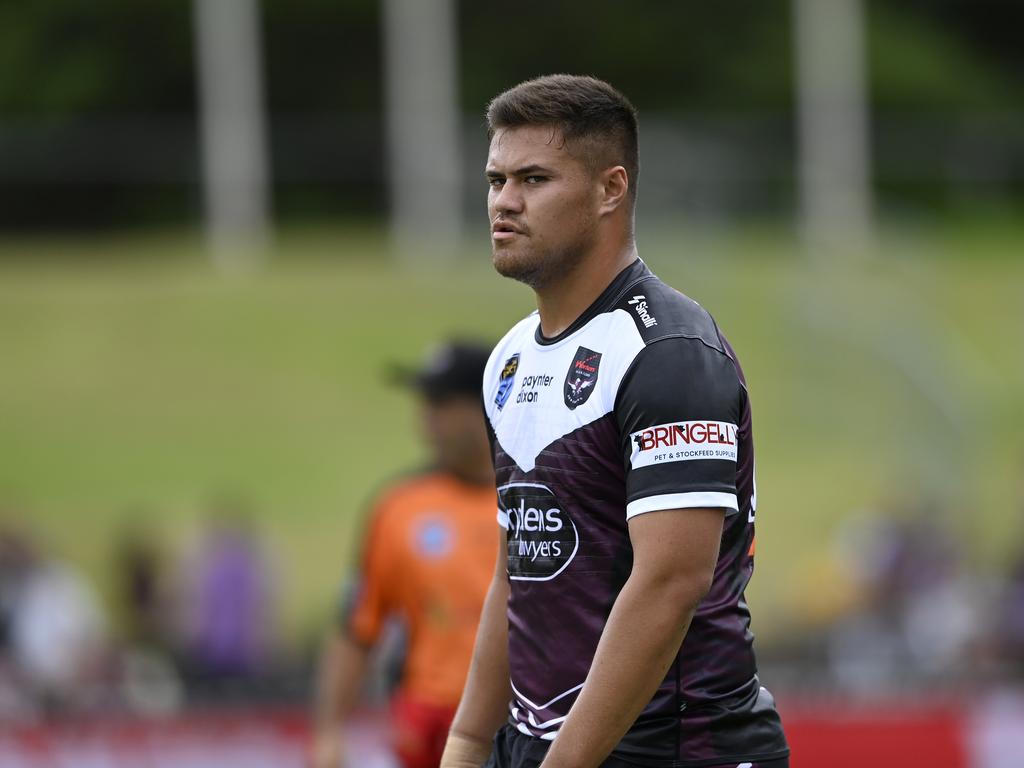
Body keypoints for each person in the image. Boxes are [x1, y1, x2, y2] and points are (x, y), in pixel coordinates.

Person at [439, 75, 789, 768]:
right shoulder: (507, 362)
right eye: (496, 179)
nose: (504, 202)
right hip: (540, 746)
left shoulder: (669, 353)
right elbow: (521, 571)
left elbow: (670, 582)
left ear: (610, 189)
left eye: (534, 178)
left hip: (679, 748)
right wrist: (469, 742)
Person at [311, 341, 497, 768]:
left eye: (439, 403)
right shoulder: (399, 508)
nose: (425, 419)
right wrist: (329, 732)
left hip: (521, 723)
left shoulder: (537, 498)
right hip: (426, 725)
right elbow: (357, 628)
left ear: (483, 406)